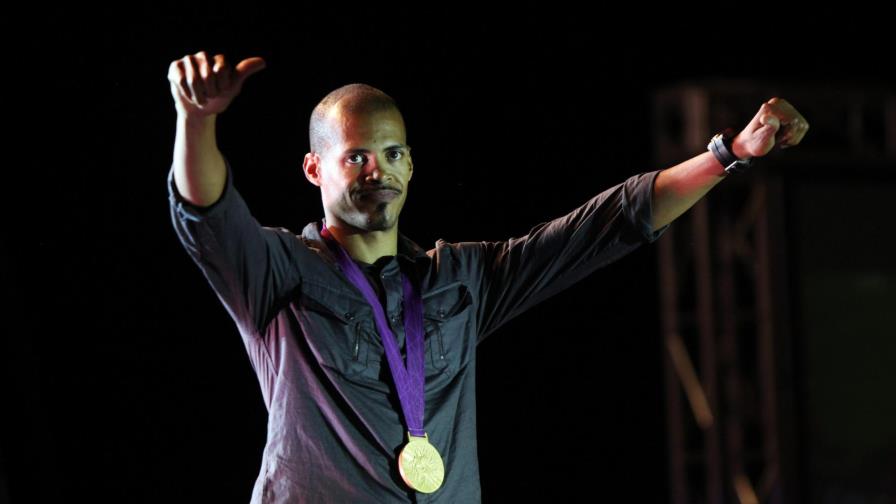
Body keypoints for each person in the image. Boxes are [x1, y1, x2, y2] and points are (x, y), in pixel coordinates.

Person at [166, 51, 808, 503]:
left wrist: (727, 156)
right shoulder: (277, 275)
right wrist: (197, 120)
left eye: (392, 155)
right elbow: (208, 215)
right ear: (314, 170)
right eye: (355, 156)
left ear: (411, 165)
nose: (376, 171)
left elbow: (604, 226)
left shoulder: (459, 280)